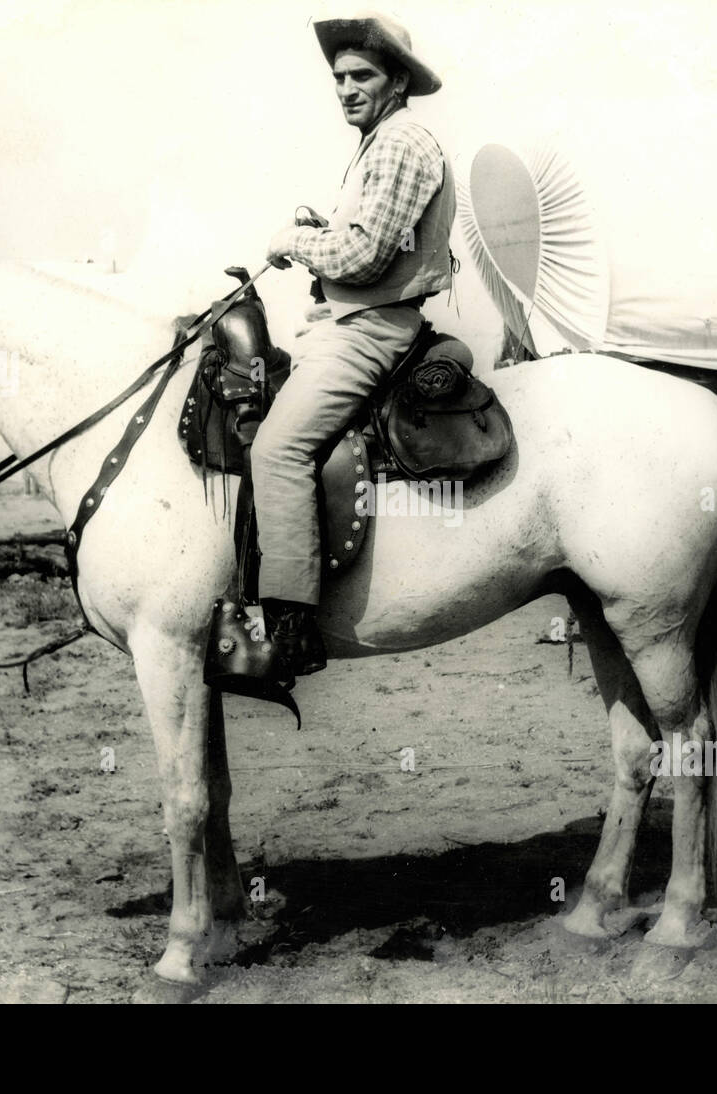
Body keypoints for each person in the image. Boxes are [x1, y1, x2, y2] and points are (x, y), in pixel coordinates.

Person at [252, 11, 456, 676]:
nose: (345, 87)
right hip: (351, 320)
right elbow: (361, 234)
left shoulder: (401, 142)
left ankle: (290, 631)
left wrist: (292, 242)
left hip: (371, 328)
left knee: (278, 447)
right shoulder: (377, 141)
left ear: (396, 80)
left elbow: (363, 254)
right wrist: (323, 227)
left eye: (361, 75)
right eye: (339, 77)